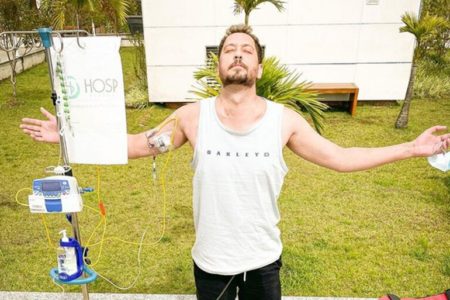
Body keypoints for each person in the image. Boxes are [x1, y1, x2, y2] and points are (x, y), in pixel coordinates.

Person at [20, 24, 449, 300]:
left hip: (264, 265)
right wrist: (69, 136)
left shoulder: (285, 122)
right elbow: (136, 145)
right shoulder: (191, 118)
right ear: (220, 64)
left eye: (246, 50)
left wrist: (411, 148)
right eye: (230, 50)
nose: (238, 55)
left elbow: (341, 157)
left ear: (258, 68)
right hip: (211, 263)